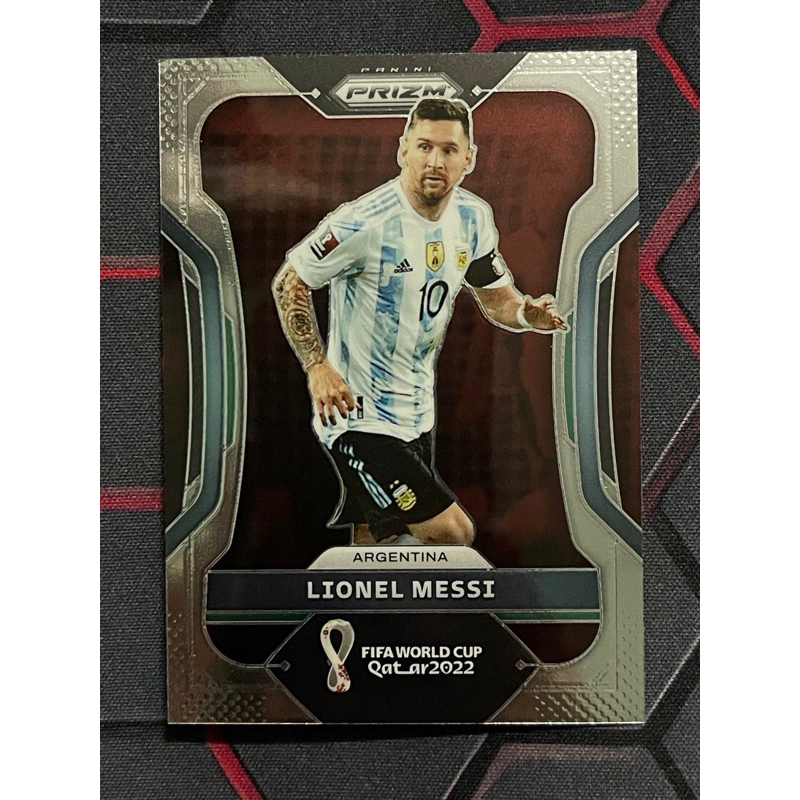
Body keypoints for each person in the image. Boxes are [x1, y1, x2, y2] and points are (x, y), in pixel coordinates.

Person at [272, 98, 567, 547]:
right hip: (358, 417)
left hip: (416, 416)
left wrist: (528, 314)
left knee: (380, 544)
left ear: (469, 158)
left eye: (449, 150)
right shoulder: (363, 222)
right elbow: (289, 281)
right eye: (424, 147)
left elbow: (495, 298)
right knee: (452, 533)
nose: (435, 161)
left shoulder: (472, 218)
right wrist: (317, 367)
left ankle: (365, 595)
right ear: (403, 150)